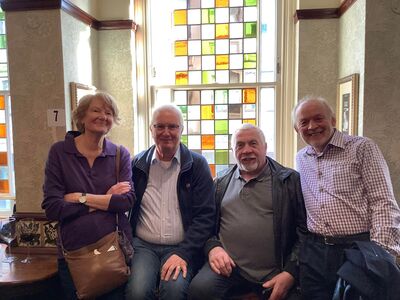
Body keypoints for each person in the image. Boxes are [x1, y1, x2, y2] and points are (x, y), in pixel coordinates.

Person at [292, 95, 400, 299]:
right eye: (304, 122)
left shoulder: (362, 148)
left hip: (357, 248)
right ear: (297, 130)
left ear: (333, 120)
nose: (312, 126)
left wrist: (379, 256)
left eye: (319, 118)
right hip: (314, 252)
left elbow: (383, 202)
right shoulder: (301, 158)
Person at [189, 123, 307, 300]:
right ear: (233, 150)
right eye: (240, 145)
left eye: (253, 143)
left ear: (265, 147)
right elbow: (205, 225)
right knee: (199, 290)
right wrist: (213, 248)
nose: (246, 150)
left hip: (277, 270)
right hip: (229, 269)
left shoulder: (289, 181)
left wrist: (291, 272)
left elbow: (305, 231)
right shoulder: (220, 184)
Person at [42, 92, 135, 299]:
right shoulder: (59, 152)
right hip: (74, 254)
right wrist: (105, 198)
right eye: (96, 110)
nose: (103, 116)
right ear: (82, 117)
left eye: (109, 112)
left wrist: (78, 197)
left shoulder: (121, 154)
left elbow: (126, 201)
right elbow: (53, 208)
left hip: (114, 252)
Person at [125, 104, 215, 300]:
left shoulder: (197, 165)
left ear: (181, 130)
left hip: (182, 246)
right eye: (160, 126)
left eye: (173, 126)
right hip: (144, 246)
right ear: (151, 129)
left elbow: (206, 217)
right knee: (137, 293)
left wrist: (184, 252)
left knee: (174, 291)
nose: (166, 132)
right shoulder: (136, 164)